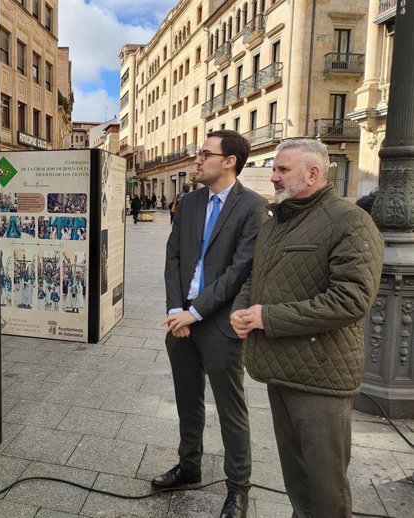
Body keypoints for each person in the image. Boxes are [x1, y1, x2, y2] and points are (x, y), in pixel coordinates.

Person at [230, 139, 384, 518]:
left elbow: (351, 300)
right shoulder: (274, 223)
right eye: (275, 168)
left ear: (313, 173)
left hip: (322, 375)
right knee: (296, 476)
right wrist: (242, 310)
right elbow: (254, 278)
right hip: (278, 368)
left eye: (283, 169)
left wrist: (268, 318)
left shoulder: (349, 221)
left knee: (324, 483)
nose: (273, 176)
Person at [156, 130, 267, 518]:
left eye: (205, 153)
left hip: (220, 324)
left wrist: (197, 311)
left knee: (230, 409)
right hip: (181, 321)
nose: (197, 159)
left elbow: (239, 271)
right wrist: (176, 311)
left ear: (229, 161)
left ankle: (238, 490)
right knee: (187, 400)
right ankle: (189, 467)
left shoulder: (253, 207)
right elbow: (172, 258)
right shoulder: (187, 203)